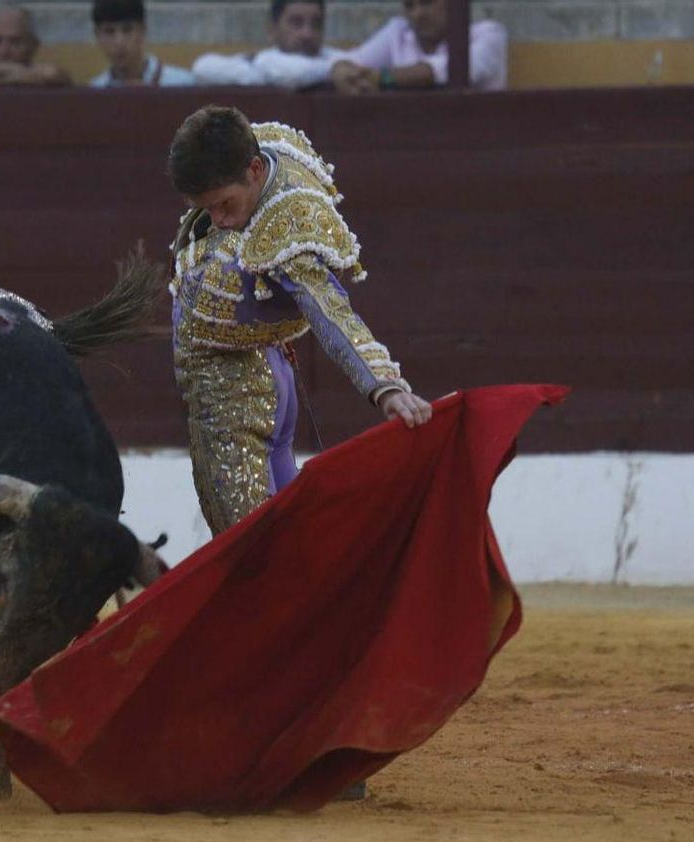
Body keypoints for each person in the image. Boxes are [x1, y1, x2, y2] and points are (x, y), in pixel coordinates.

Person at [167, 106, 433, 539]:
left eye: (224, 204)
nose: (218, 220)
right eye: (205, 209)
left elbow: (331, 309)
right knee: (292, 533)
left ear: (254, 171)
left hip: (228, 382)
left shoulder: (286, 227)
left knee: (248, 547)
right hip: (275, 369)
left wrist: (382, 385)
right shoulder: (271, 150)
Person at [328, 0, 507, 93]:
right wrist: (340, 69)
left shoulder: (489, 35)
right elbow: (350, 60)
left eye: (427, 2)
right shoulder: (398, 32)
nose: (418, 14)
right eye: (409, 5)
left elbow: (447, 69)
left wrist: (383, 78)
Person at [190, 0, 339, 90]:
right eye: (296, 23)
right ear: (272, 29)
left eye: (316, 24)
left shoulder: (337, 59)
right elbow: (202, 67)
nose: (307, 33)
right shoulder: (263, 60)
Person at [89, 0, 195, 87]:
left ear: (142, 30)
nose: (119, 42)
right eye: (109, 31)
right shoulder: (95, 91)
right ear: (97, 35)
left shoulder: (182, 84)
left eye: (127, 30)